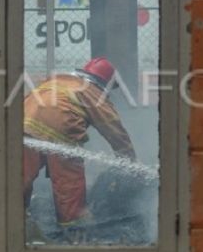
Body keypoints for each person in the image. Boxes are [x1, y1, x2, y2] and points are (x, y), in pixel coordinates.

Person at [23, 57, 136, 230]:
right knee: (69, 180)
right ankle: (74, 228)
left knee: (21, 174)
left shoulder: (56, 80)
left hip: (24, 123)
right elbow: (114, 130)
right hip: (60, 127)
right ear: (104, 83)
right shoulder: (92, 91)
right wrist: (130, 162)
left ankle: (16, 218)